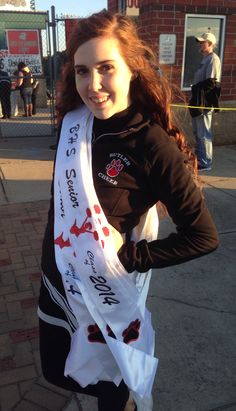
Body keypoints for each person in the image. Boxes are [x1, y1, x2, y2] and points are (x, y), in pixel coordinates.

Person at [38, 11, 219, 411]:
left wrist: (131, 257)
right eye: (83, 71)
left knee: (110, 385)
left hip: (105, 296)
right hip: (58, 281)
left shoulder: (152, 144)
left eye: (106, 68)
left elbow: (203, 237)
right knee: (54, 370)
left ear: (133, 70)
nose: (94, 85)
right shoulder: (74, 124)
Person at [189, 32, 221, 172]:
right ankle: (199, 158)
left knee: (204, 134)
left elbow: (211, 83)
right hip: (198, 101)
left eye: (203, 42)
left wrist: (196, 89)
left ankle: (206, 162)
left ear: (210, 44)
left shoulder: (213, 59)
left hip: (205, 103)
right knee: (197, 132)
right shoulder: (205, 59)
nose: (200, 45)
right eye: (200, 42)